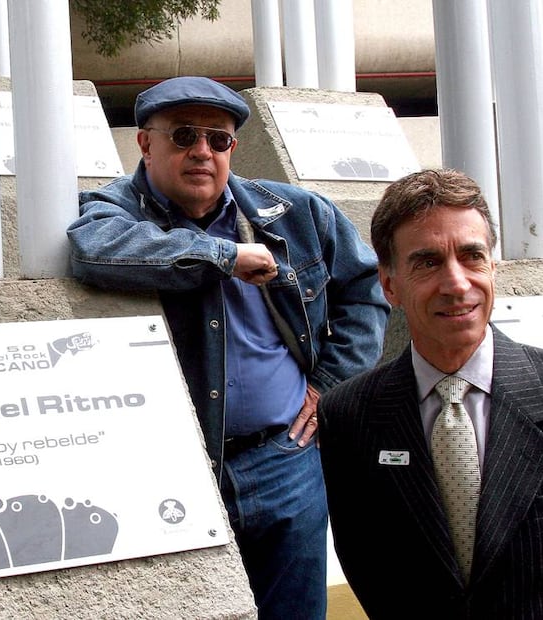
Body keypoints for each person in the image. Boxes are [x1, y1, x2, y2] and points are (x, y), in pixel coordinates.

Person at [67, 76, 389, 618]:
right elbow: (94, 248)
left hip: (286, 459)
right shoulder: (111, 210)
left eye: (218, 140)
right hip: (177, 470)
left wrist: (327, 388)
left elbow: (367, 290)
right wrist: (226, 257)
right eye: (184, 135)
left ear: (233, 149)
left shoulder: (296, 213)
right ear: (145, 143)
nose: (202, 151)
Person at [318, 169, 543, 618]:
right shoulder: (348, 414)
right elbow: (366, 562)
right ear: (389, 285)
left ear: (492, 267)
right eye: (427, 262)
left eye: (471, 256)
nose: (457, 283)